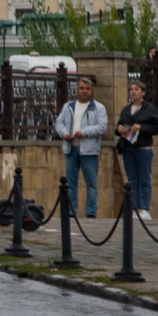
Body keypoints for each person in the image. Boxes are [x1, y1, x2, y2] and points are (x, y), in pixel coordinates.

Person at [53, 74, 106, 221]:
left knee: (91, 183)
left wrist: (84, 132)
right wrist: (65, 134)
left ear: (91, 91)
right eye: (82, 88)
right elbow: (59, 123)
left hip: (89, 150)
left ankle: (91, 212)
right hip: (71, 148)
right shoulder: (68, 106)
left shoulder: (99, 108)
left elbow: (102, 127)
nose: (84, 91)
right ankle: (71, 211)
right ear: (77, 89)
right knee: (70, 182)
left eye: (87, 89)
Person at [117, 74, 158, 221]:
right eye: (131, 89)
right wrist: (120, 128)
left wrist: (141, 127)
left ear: (143, 92)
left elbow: (157, 127)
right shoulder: (126, 109)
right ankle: (135, 207)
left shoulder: (149, 108)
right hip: (128, 146)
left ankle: (144, 208)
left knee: (144, 178)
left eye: (136, 89)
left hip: (143, 147)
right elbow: (120, 125)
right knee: (132, 179)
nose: (133, 92)